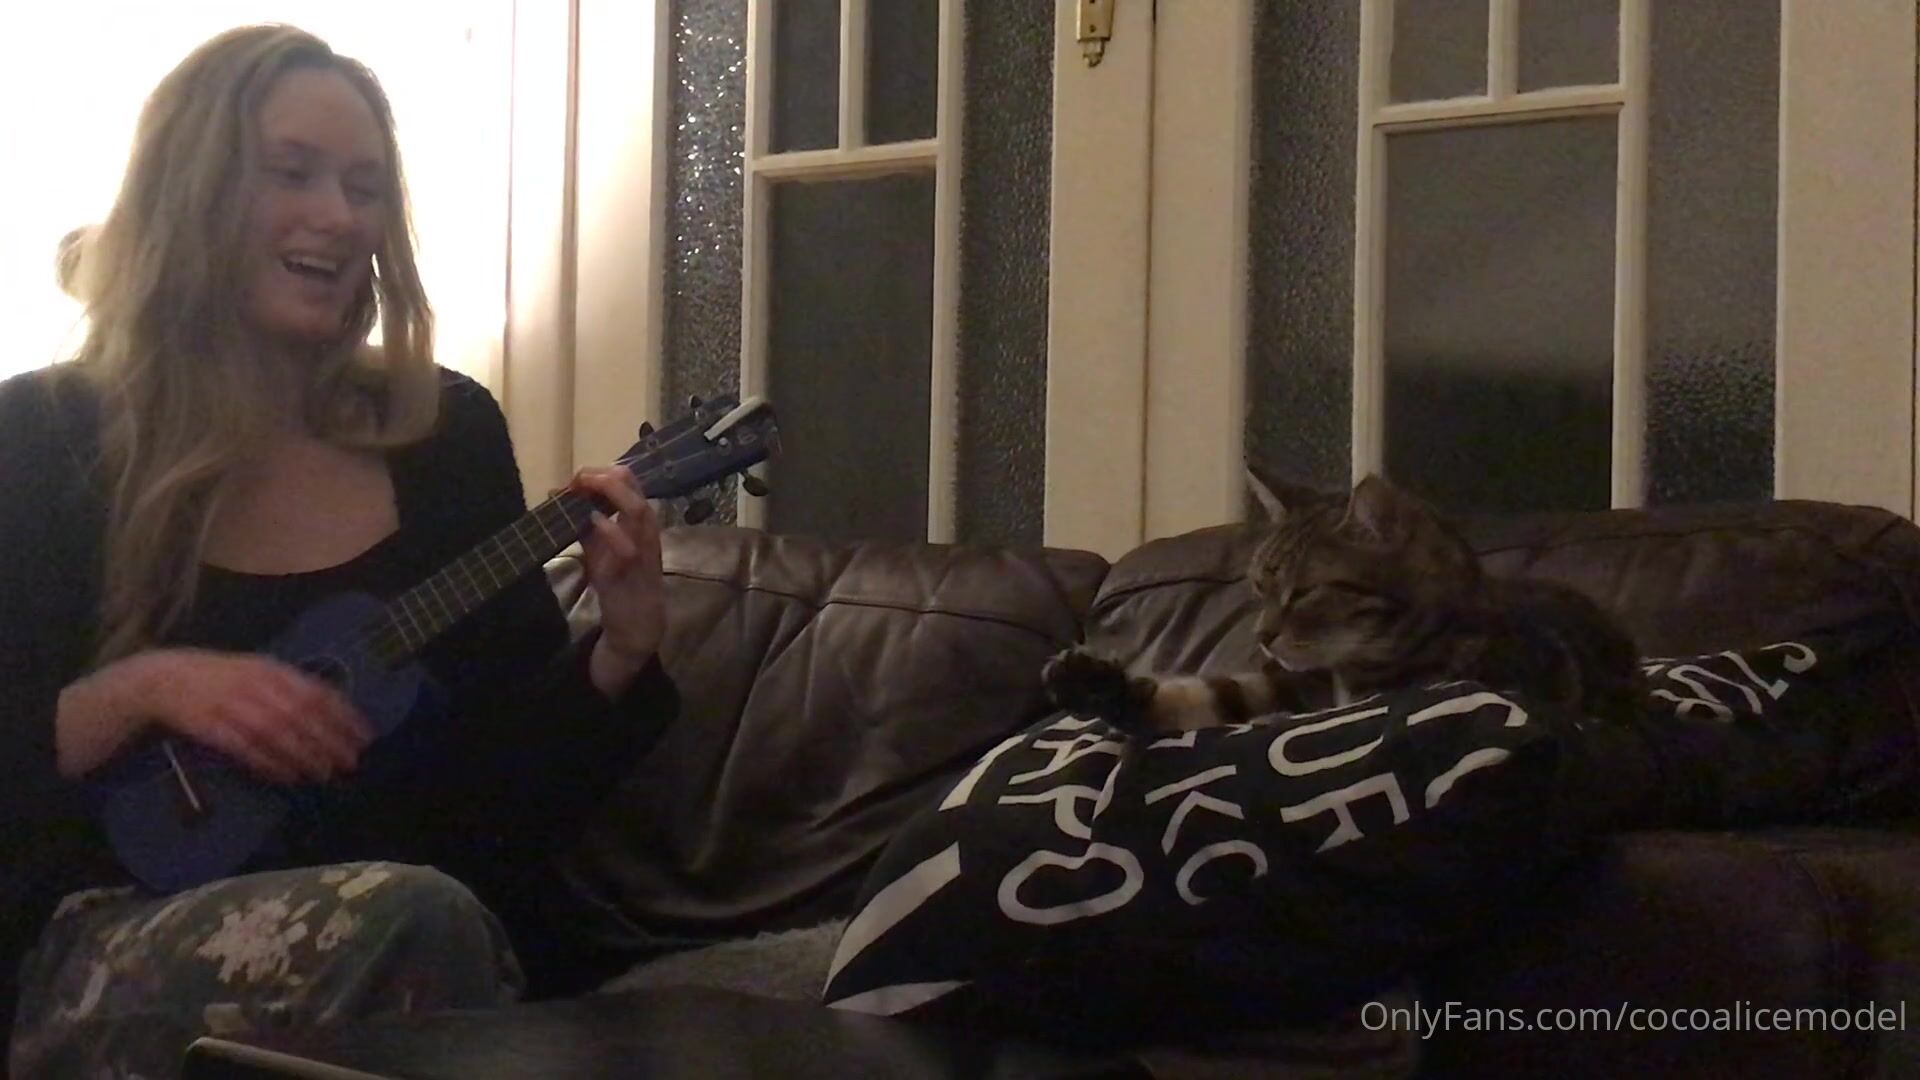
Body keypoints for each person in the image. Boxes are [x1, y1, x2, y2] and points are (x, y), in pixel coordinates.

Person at [1, 24, 680, 1077]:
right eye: (292, 173)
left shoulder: (446, 435)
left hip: (427, 927)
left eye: (365, 188)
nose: (339, 215)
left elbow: (509, 795)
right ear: (191, 192)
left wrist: (620, 655)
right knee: (415, 919)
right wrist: (142, 688)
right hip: (101, 933)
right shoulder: (43, 437)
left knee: (432, 917)